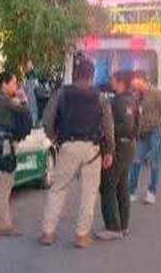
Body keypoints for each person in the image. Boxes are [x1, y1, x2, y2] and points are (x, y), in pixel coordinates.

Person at [40, 55, 115, 248]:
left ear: (75, 74)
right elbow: (109, 127)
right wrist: (109, 151)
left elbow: (47, 120)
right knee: (89, 193)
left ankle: (48, 232)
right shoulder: (100, 98)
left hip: (68, 146)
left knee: (58, 189)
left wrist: (54, 138)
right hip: (92, 150)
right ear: (92, 75)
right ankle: (82, 235)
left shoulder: (61, 94)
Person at [0, 72, 32, 237]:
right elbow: (23, 111)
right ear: (4, 84)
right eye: (13, 83)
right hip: (5, 145)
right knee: (5, 187)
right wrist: (23, 98)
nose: (16, 86)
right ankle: (3, 225)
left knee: (0, 185)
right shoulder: (5, 101)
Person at [97, 71, 139, 241]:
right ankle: (123, 224)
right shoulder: (132, 100)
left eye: (112, 80)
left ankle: (113, 226)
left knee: (108, 185)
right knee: (122, 185)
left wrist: (107, 135)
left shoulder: (119, 102)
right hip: (128, 146)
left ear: (120, 82)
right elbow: (135, 125)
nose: (110, 82)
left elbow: (126, 125)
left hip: (119, 147)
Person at [128, 70, 161, 204]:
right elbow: (135, 115)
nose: (133, 85)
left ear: (142, 80)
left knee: (154, 162)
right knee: (136, 161)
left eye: (135, 82)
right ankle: (131, 191)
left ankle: (151, 192)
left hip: (156, 131)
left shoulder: (157, 94)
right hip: (143, 132)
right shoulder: (137, 96)